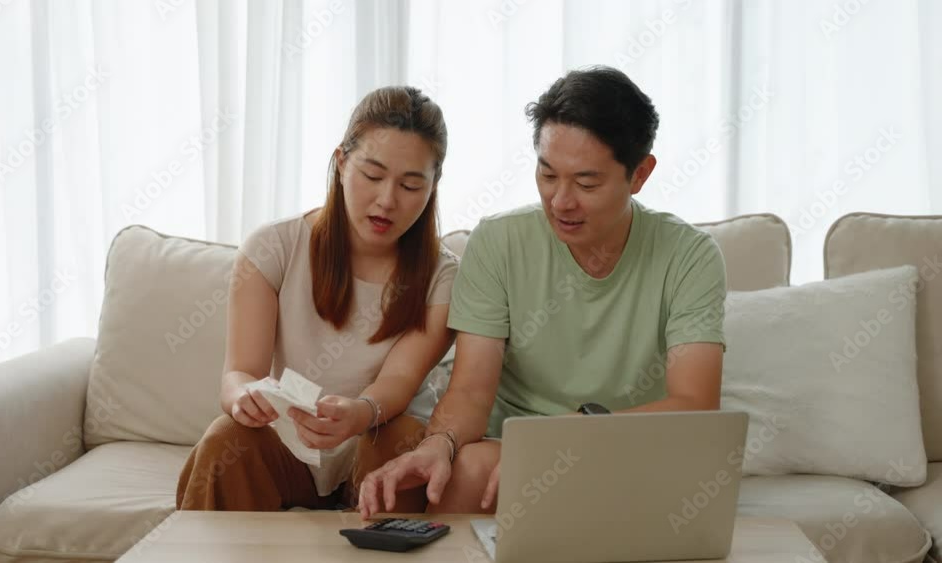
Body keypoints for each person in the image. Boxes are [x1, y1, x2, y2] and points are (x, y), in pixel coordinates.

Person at [358, 66, 727, 516]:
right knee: (468, 471)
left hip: (629, 447)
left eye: (586, 183)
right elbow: (472, 391)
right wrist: (440, 443)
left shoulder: (689, 255)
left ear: (640, 174)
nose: (561, 201)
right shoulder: (498, 241)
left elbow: (695, 404)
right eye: (548, 174)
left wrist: (572, 438)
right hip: (511, 449)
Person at [176, 86, 458, 512]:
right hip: (286, 446)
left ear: (433, 185)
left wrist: (359, 414)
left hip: (373, 439)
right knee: (223, 440)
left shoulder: (443, 276)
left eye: (410, 185)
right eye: (373, 175)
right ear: (342, 163)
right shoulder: (274, 247)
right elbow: (239, 373)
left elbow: (397, 382)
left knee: (401, 440)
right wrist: (243, 397)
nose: (387, 200)